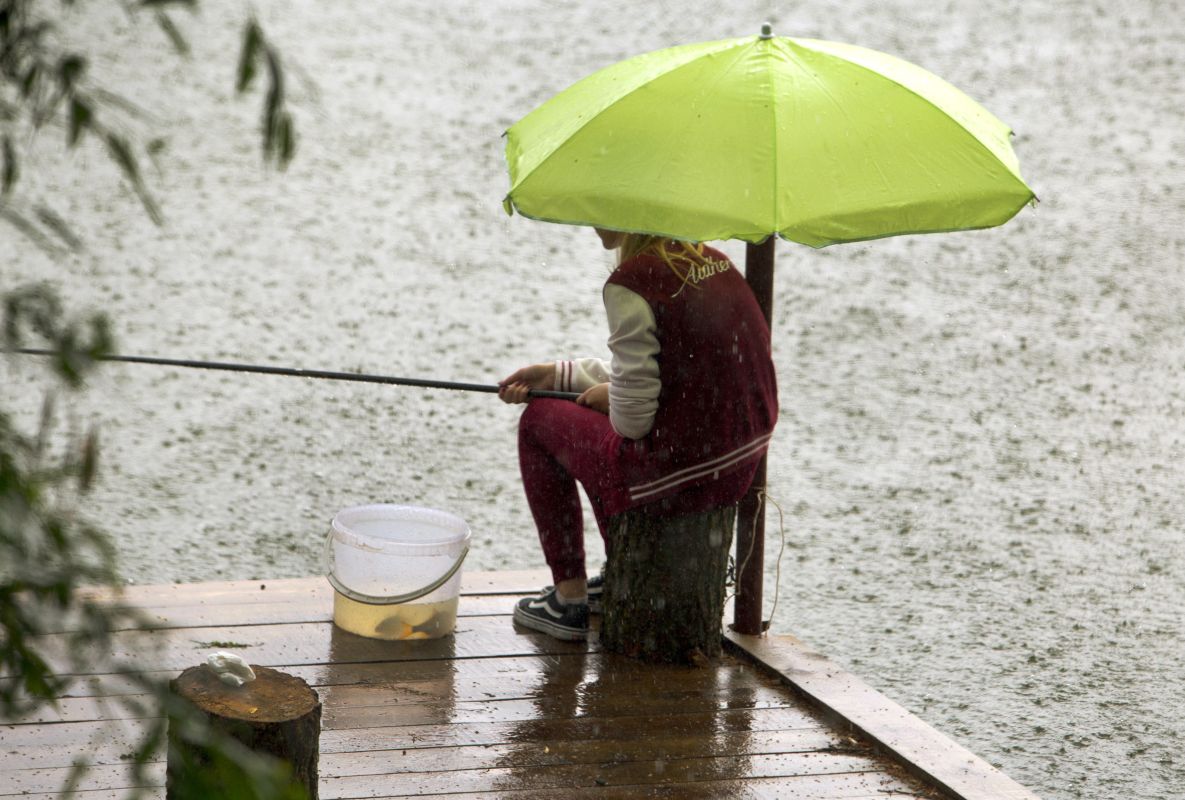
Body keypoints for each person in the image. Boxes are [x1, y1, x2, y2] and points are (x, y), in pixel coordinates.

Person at [498, 227, 778, 641]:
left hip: (682, 481)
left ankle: (568, 599)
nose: (592, 222)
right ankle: (616, 578)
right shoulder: (711, 260)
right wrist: (559, 375)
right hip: (736, 467)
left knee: (539, 420)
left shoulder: (631, 282)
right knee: (586, 429)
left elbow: (632, 422)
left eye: (599, 208)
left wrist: (610, 398)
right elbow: (675, 373)